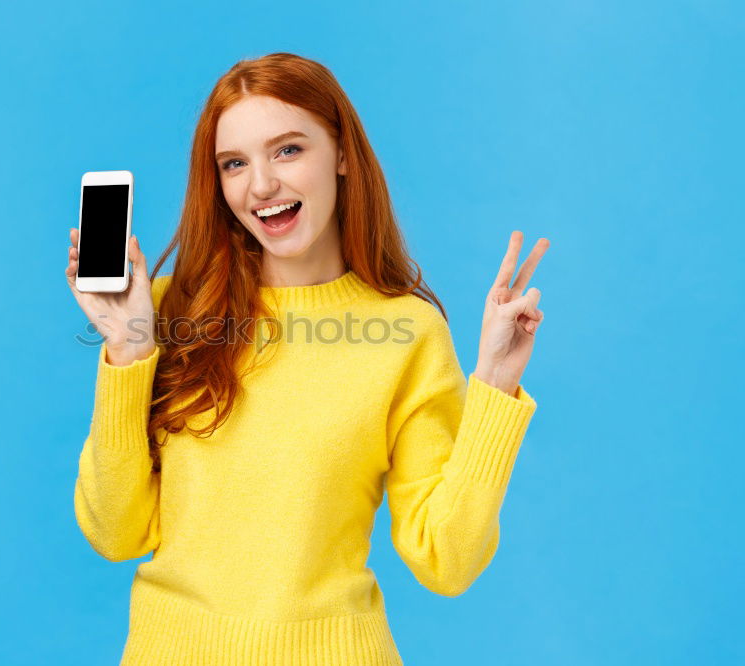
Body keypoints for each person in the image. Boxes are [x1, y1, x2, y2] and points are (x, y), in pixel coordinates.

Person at [65, 52, 549, 666]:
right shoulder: (166, 312)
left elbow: (446, 561)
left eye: (288, 150)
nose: (261, 185)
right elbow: (114, 532)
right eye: (234, 163)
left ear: (343, 154)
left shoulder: (406, 332)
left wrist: (495, 389)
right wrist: (129, 348)